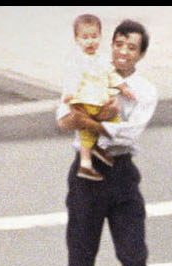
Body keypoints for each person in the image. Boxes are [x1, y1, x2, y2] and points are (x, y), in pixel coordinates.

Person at [56, 18, 157, 266]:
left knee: (136, 261)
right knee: (81, 259)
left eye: (132, 47)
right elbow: (62, 118)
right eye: (119, 44)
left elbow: (129, 133)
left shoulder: (145, 91)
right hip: (86, 173)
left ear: (140, 54)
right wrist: (88, 118)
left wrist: (89, 121)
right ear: (110, 45)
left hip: (122, 173)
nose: (123, 52)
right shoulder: (88, 71)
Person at [61, 13, 133, 182]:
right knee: (88, 132)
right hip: (85, 101)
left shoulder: (102, 59)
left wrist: (123, 87)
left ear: (100, 37)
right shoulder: (77, 61)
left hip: (100, 100)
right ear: (76, 39)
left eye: (94, 37)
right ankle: (85, 164)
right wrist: (69, 94)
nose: (90, 41)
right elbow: (72, 79)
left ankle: (98, 148)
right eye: (85, 38)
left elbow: (111, 74)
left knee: (110, 123)